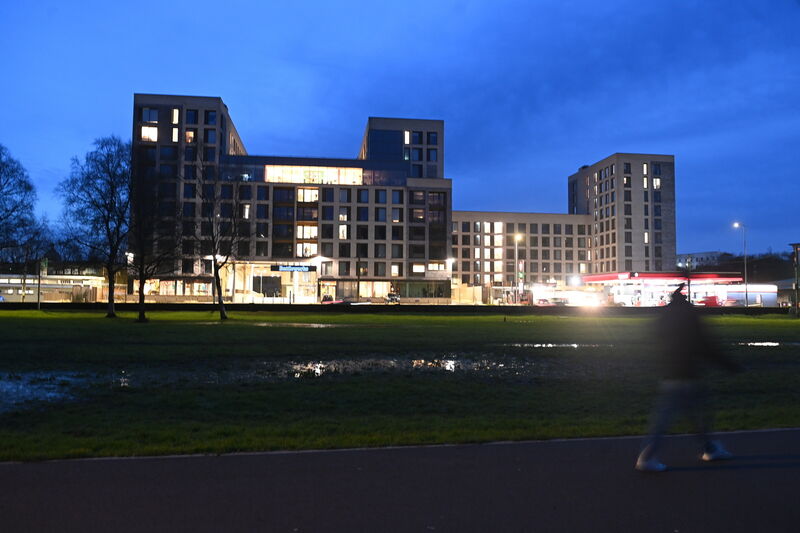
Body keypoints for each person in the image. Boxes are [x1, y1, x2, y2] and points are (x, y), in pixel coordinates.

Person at [636, 283, 742, 472]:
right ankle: (647, 456)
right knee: (678, 415)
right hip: (688, 372)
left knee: (691, 414)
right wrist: (729, 365)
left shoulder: (664, 318)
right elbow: (705, 345)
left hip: (670, 371)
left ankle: (709, 448)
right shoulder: (690, 318)